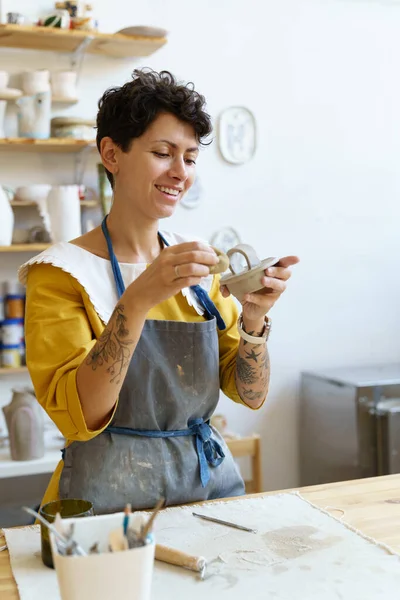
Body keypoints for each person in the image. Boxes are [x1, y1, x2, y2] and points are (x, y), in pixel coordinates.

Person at [19, 69, 299, 514]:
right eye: (163, 153)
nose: (180, 173)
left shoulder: (198, 267)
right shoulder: (59, 274)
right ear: (111, 153)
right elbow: (81, 416)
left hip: (208, 498)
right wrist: (137, 299)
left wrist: (253, 322)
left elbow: (250, 394)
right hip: (105, 508)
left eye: (189, 158)